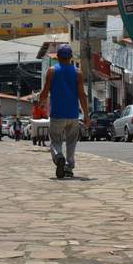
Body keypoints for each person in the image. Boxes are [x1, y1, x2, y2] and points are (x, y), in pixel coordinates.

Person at [39, 44, 89, 179]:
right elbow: (82, 95)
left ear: (58, 57)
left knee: (55, 141)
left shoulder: (51, 71)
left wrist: (41, 103)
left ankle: (58, 156)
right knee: (72, 142)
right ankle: (69, 166)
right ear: (71, 57)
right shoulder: (77, 72)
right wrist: (86, 115)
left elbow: (45, 91)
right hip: (73, 114)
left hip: (57, 114)